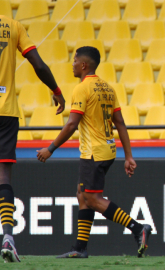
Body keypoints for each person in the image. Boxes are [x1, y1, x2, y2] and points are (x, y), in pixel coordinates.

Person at [36, 46, 151, 259]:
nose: (72, 64)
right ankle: (80, 248)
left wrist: (50, 149)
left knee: (92, 198)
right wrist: (128, 155)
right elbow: (120, 123)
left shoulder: (82, 88)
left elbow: (72, 124)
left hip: (93, 152)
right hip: (107, 149)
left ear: (83, 65)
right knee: (82, 195)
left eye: (74, 60)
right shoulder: (108, 88)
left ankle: (137, 228)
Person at [0, 15, 65, 263]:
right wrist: (56, 91)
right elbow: (38, 65)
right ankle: (8, 237)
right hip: (6, 113)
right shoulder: (12, 24)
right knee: (3, 176)